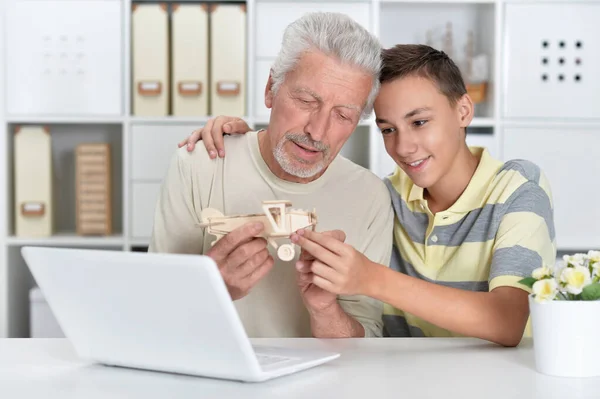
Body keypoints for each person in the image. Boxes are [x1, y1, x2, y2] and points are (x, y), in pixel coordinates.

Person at [181, 44, 556, 347]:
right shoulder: (385, 196)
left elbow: (507, 321)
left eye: (419, 122)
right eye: (388, 129)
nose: (404, 146)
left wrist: (369, 277)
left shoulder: (519, 187)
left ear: (463, 110)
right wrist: (248, 142)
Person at [149, 12, 394, 339]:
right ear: (270, 89)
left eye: (343, 115)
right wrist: (215, 289)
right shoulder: (198, 164)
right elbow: (152, 310)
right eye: (306, 101)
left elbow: (368, 341)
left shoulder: (371, 196)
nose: (317, 131)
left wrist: (325, 310)